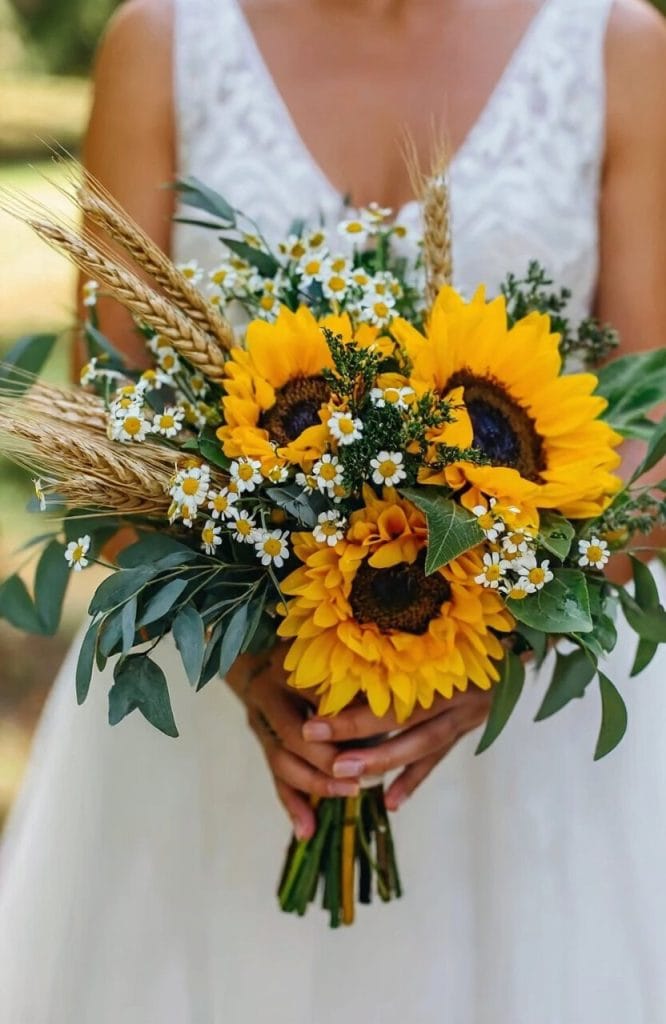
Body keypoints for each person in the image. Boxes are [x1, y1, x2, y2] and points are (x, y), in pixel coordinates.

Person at [1, 0, 665, 1021]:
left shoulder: (619, 47)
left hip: (532, 747)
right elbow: (111, 410)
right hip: (208, 727)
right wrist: (243, 655)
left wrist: (496, 645)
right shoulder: (164, 42)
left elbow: (648, 425)